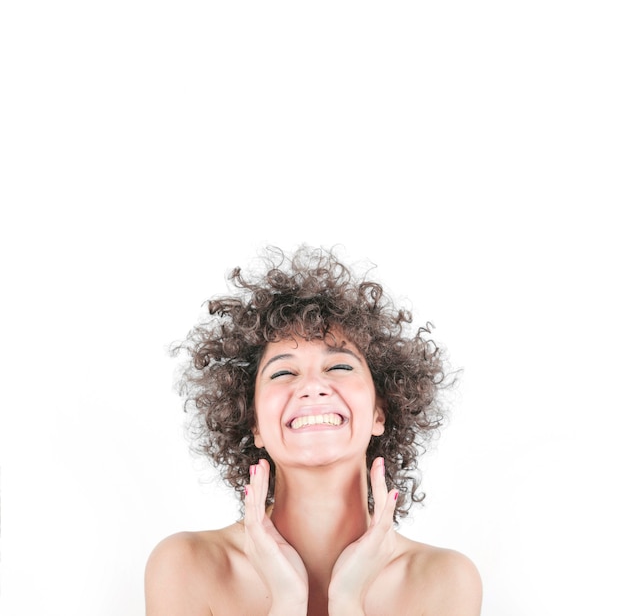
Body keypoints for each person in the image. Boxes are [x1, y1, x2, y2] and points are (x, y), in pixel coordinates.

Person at [145, 245, 482, 616]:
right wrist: (287, 602)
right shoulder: (186, 567)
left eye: (338, 367)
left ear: (379, 413)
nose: (312, 386)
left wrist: (348, 600)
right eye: (283, 372)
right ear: (253, 421)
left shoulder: (444, 581)